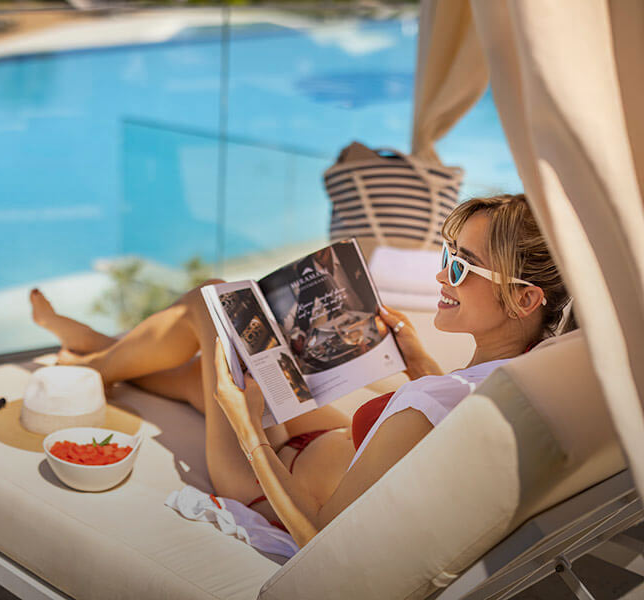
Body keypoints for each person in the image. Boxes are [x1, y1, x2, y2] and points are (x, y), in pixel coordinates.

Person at [30, 193, 576, 548]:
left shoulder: (427, 407)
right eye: (445, 253)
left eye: (459, 265)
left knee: (209, 304)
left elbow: (321, 542)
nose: (441, 274)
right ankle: (96, 350)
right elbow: (447, 423)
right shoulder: (528, 375)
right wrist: (419, 363)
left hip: (272, 490)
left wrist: (248, 430)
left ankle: (94, 362)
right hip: (327, 439)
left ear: (525, 298)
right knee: (220, 357)